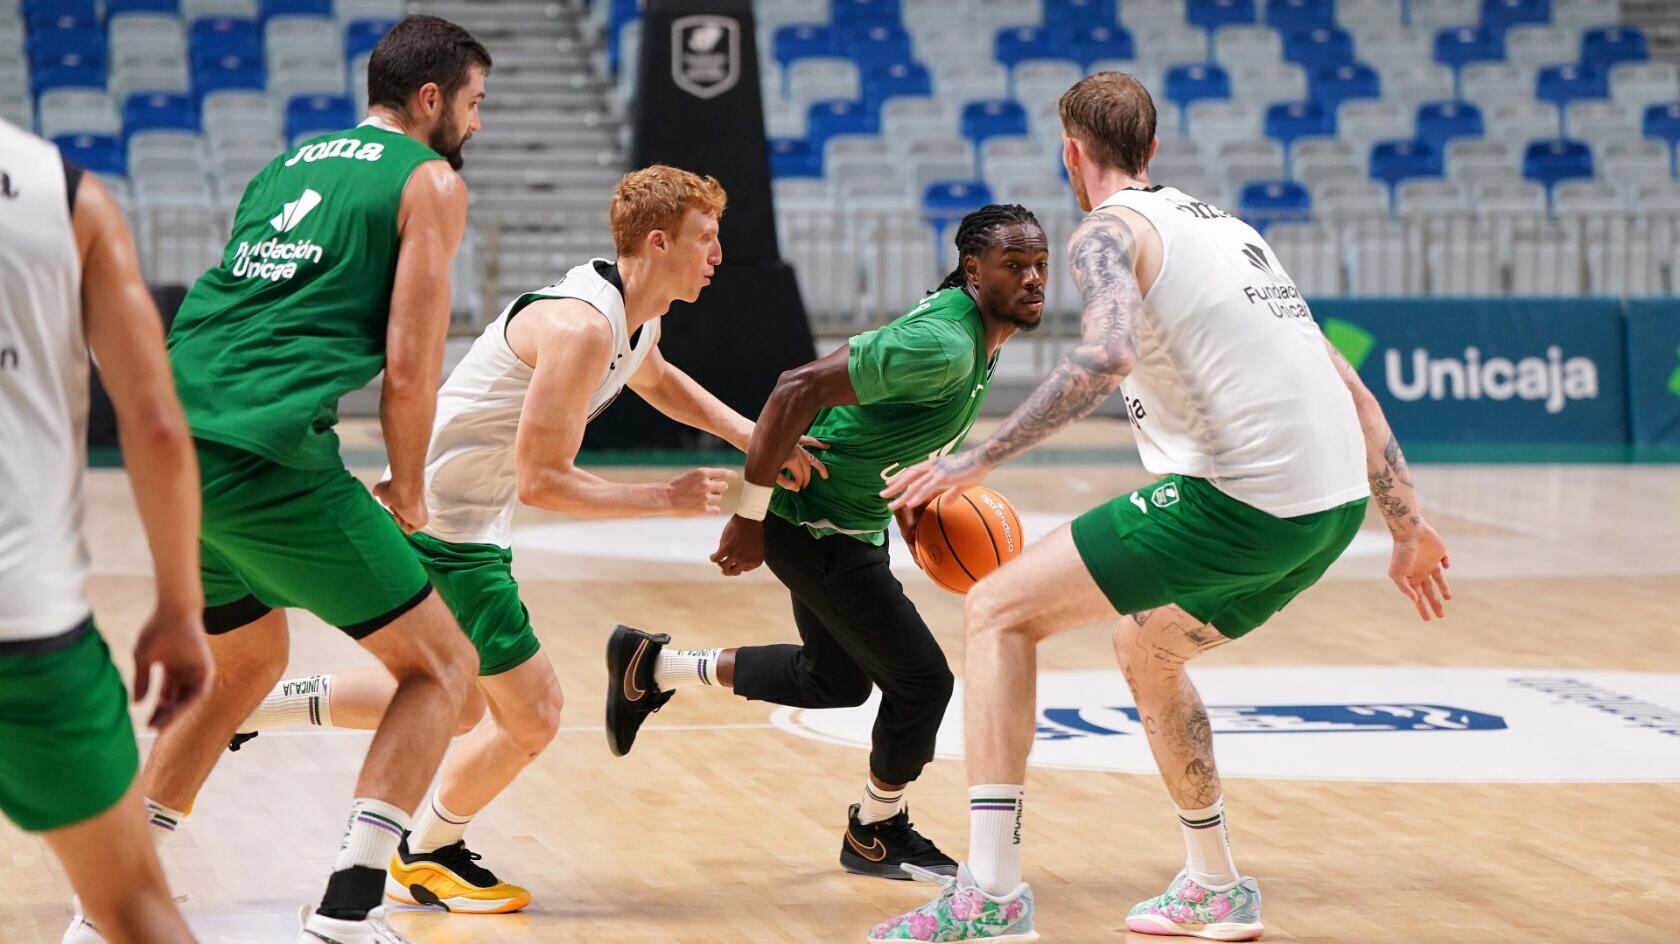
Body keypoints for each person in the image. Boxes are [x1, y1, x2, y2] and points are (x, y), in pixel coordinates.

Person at [869, 72, 1452, 943]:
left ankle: (988, 895)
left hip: (1240, 500)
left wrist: (978, 458)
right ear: (1152, 148)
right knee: (1146, 645)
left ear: (1072, 151)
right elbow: (1357, 394)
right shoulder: (1234, 233)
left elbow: (1105, 357)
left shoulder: (1107, 231)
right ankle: (1215, 884)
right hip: (1329, 514)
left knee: (994, 610)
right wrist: (1406, 527)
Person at [227, 164, 825, 914]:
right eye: (706, 239)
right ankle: (426, 848)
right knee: (530, 712)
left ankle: (259, 708)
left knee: (460, 702)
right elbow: (544, 480)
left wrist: (753, 436)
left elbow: (656, 377)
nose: (717, 255)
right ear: (659, 239)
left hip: (460, 522)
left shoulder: (633, 316)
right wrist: (664, 499)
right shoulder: (580, 326)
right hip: (446, 529)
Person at [115, 17, 493, 944]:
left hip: (164, 437)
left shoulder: (287, 164)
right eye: (476, 104)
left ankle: (106, 911)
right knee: (445, 670)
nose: (478, 126)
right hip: (260, 451)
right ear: (432, 98)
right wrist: (408, 490)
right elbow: (410, 369)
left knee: (245, 663)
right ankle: (349, 908)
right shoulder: (430, 181)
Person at [607, 205, 1051, 881]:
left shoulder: (975, 336)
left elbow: (881, 421)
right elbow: (796, 387)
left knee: (834, 680)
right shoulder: (945, 344)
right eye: (1014, 266)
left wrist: (908, 501)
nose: (1033, 279)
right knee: (923, 685)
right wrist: (751, 514)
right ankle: (875, 831)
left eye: (1040, 264)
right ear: (973, 270)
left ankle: (654, 665)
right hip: (814, 525)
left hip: (843, 517)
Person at [0, 118, 210, 943]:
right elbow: (155, 422)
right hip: (28, 622)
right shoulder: (65, 192)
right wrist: (179, 608)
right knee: (131, 906)